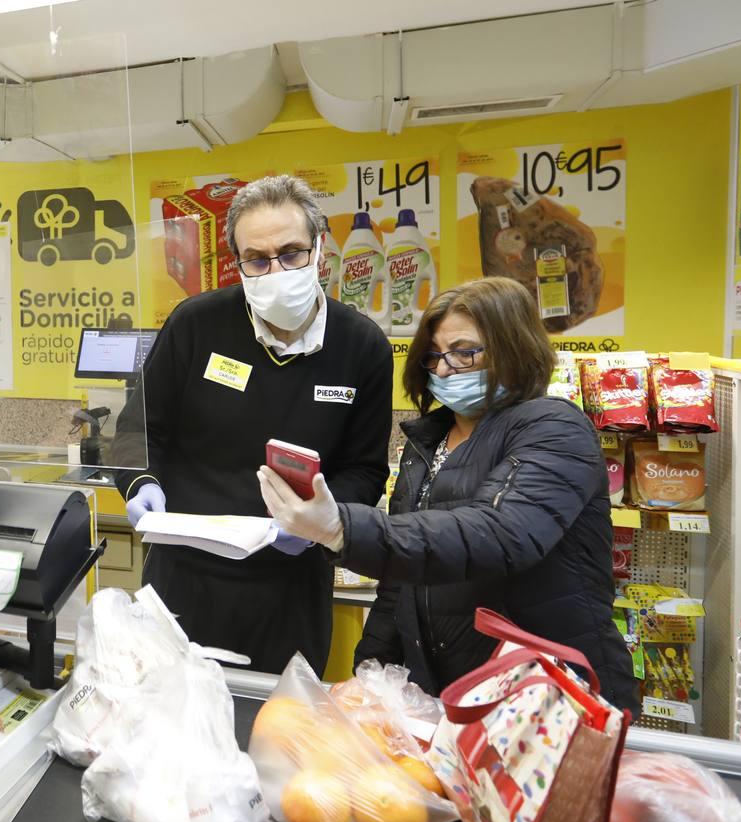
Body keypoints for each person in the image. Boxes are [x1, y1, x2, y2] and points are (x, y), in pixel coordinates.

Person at [258, 277, 638, 710]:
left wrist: (344, 529)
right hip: (451, 697)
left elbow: (499, 532)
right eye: (434, 356)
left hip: (549, 701)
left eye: (464, 352)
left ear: (516, 347)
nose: (442, 369)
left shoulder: (554, 429)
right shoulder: (428, 443)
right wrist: (370, 677)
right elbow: (398, 586)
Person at [112, 175, 392, 674]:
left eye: (291, 253)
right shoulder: (197, 324)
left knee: (275, 731)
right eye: (257, 260)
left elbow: (366, 470)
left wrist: (316, 523)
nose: (275, 270)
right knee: (168, 728)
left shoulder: (362, 346)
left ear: (320, 250)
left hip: (290, 585)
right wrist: (140, 483)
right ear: (238, 263)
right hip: (183, 578)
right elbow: (136, 433)